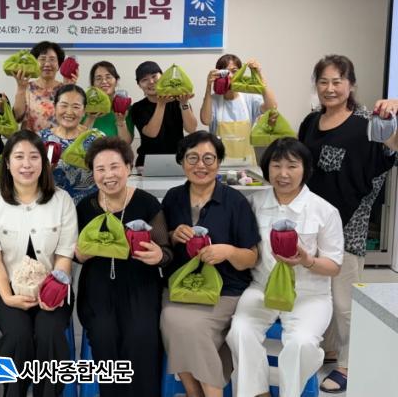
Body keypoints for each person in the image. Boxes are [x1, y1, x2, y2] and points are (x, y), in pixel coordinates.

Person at [297, 54, 398, 393]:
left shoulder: (369, 121)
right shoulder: (311, 122)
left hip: (349, 221)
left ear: (351, 84)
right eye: (323, 81)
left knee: (345, 301)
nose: (330, 88)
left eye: (337, 81)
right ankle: (329, 350)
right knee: (318, 291)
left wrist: (395, 116)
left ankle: (348, 364)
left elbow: (393, 148)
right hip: (313, 221)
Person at [227, 138, 343, 397]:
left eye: (292, 166)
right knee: (239, 332)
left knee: (301, 344)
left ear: (305, 169)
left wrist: (307, 260)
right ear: (266, 168)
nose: (283, 174)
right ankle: (258, 393)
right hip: (262, 288)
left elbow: (334, 266)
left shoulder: (324, 211)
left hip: (308, 294)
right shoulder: (254, 203)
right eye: (276, 165)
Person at [160, 131, 260, 397]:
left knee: (194, 329)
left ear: (219, 162)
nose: (200, 165)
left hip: (224, 289)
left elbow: (251, 257)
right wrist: (173, 235)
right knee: (170, 320)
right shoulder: (173, 197)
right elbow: (162, 246)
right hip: (181, 287)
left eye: (208, 158)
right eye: (192, 158)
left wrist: (228, 251)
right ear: (182, 161)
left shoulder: (235, 201)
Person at [0, 130, 78, 397]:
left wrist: (53, 291)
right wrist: (7, 296)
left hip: (54, 288)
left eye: (34, 157)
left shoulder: (62, 200)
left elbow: (64, 256)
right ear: (7, 162)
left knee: (50, 335)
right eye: (19, 157)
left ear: (43, 163)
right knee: (18, 336)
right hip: (7, 288)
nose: (26, 164)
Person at [75, 137, 173, 397]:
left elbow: (166, 252)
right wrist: (80, 254)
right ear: (93, 173)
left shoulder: (146, 203)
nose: (108, 175)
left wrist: (158, 255)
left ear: (129, 167)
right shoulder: (85, 207)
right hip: (98, 288)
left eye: (115, 166)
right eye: (100, 169)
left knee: (141, 336)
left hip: (140, 284)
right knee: (104, 336)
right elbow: (75, 255)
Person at [199, 54, 277, 164]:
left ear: (241, 72)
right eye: (225, 72)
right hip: (219, 164)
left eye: (234, 71)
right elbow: (205, 120)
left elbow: (272, 107)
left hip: (246, 163)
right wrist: (208, 87)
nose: (230, 76)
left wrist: (260, 76)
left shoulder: (249, 97)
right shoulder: (213, 99)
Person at [39, 84, 99, 204]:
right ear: (55, 107)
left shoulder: (96, 139)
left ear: (84, 110)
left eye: (76, 106)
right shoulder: (40, 139)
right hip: (52, 206)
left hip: (89, 207)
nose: (69, 112)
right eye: (64, 105)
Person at [130, 61, 197, 167]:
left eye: (154, 76)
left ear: (163, 77)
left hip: (177, 160)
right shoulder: (137, 108)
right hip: (147, 162)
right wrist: (161, 104)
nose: (151, 82)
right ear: (139, 85)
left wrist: (184, 103)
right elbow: (152, 133)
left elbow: (191, 128)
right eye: (144, 80)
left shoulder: (178, 100)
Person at [12, 41, 77, 132]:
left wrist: (69, 89)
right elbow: (17, 117)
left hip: (59, 140)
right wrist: (20, 88)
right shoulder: (27, 87)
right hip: (31, 140)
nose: (47, 64)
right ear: (34, 63)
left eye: (52, 59)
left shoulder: (65, 88)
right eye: (42, 59)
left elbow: (72, 118)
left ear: (59, 64)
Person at [82, 61, 134, 143]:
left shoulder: (125, 108)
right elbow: (79, 141)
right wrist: (91, 118)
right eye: (98, 78)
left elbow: (126, 143)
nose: (104, 81)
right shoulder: (84, 107)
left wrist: (121, 122)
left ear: (116, 81)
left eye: (108, 77)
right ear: (93, 84)